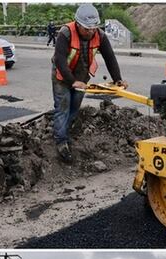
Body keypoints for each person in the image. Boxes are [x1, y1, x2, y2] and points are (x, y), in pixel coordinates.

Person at [50, 4, 127, 163]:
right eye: (87, 28)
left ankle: (65, 131)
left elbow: (110, 58)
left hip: (82, 78)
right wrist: (72, 82)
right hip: (62, 76)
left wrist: (118, 78)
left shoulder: (100, 35)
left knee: (74, 106)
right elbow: (59, 60)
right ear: (77, 24)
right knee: (62, 107)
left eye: (93, 28)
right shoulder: (66, 33)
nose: (91, 31)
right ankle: (61, 142)